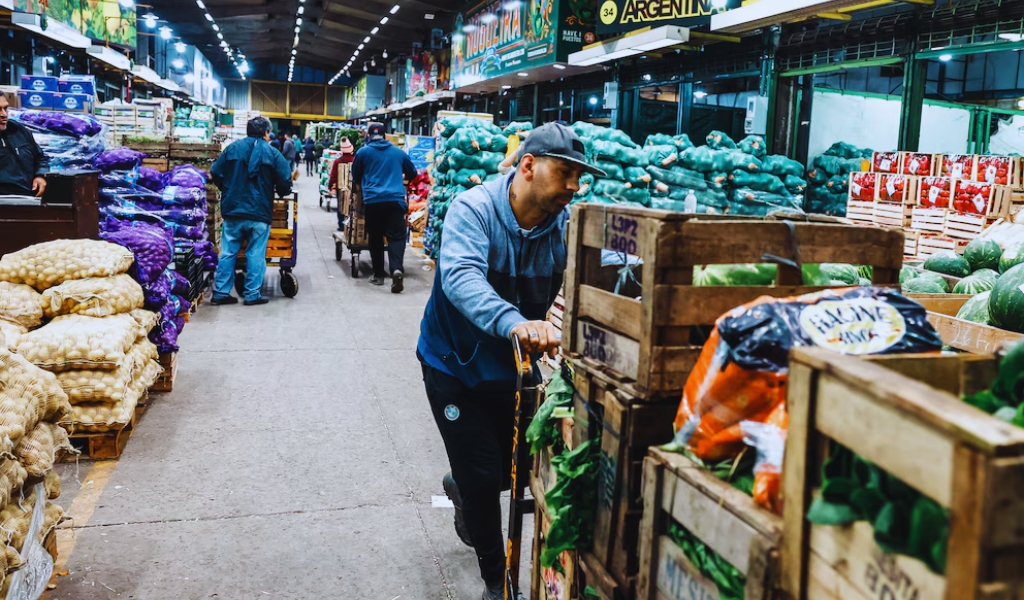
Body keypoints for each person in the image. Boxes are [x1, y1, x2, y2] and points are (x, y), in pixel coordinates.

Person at [416, 123, 605, 600]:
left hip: (514, 369)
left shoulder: (564, 227)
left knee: (514, 469)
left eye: (578, 177)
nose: (573, 187)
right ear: (527, 166)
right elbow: (459, 276)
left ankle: (460, 483)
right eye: (564, 173)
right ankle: (495, 583)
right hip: (453, 364)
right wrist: (515, 321)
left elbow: (594, 278)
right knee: (484, 479)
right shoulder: (473, 209)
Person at [208, 116, 294, 306]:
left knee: (228, 253)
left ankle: (220, 292)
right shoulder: (272, 153)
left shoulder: (231, 149)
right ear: (266, 133)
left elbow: (215, 172)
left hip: (233, 210)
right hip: (259, 212)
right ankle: (252, 294)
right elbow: (285, 180)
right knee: (255, 253)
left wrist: (228, 189)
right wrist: (281, 190)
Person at [351, 122, 417, 293]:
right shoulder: (398, 153)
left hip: (373, 201)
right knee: (396, 237)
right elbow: (412, 173)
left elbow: (356, 176)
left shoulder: (363, 153)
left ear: (369, 136)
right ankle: (396, 269)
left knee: (376, 237)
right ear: (385, 136)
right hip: (395, 201)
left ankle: (379, 275)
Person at [0, 94, 48, 197]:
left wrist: (40, 175)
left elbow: (40, 158)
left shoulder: (18, 130)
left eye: (5, 108)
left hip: (29, 197)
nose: (3, 114)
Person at [328, 137, 356, 232]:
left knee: (340, 206)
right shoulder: (355, 160)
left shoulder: (337, 162)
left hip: (341, 188)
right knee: (352, 206)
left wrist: (330, 186)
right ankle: (350, 225)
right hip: (353, 188)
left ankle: (341, 225)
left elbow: (333, 176)